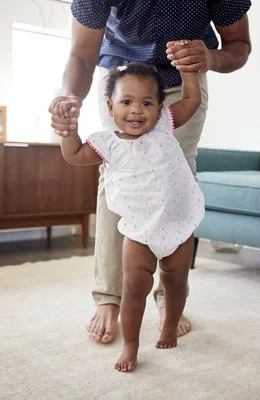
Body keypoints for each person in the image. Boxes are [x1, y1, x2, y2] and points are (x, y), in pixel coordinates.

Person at [49, 0, 252, 345]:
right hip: (121, 81)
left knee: (177, 176)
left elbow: (239, 46)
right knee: (118, 176)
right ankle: (110, 297)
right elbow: (82, 56)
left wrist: (209, 58)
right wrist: (68, 102)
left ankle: (169, 294)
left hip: (182, 80)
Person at [57, 61, 203, 372]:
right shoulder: (106, 143)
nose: (136, 110)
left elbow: (192, 100)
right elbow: (72, 154)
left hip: (177, 225)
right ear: (110, 107)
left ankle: (169, 324)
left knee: (176, 282)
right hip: (139, 232)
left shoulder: (165, 124)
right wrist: (68, 130)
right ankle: (131, 346)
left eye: (147, 103)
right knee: (135, 287)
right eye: (126, 102)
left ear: (160, 107)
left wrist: (189, 72)